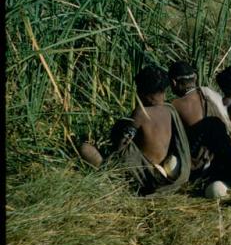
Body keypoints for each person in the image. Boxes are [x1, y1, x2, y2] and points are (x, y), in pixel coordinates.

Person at [78, 65, 191, 196]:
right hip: (167, 175)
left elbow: (122, 146)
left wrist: (116, 133)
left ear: (144, 92)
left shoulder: (141, 113)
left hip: (146, 177)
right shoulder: (170, 110)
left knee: (85, 148)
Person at [168, 61, 231, 182]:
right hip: (226, 161)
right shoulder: (210, 94)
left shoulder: (174, 106)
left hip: (201, 170)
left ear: (174, 82)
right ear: (195, 78)